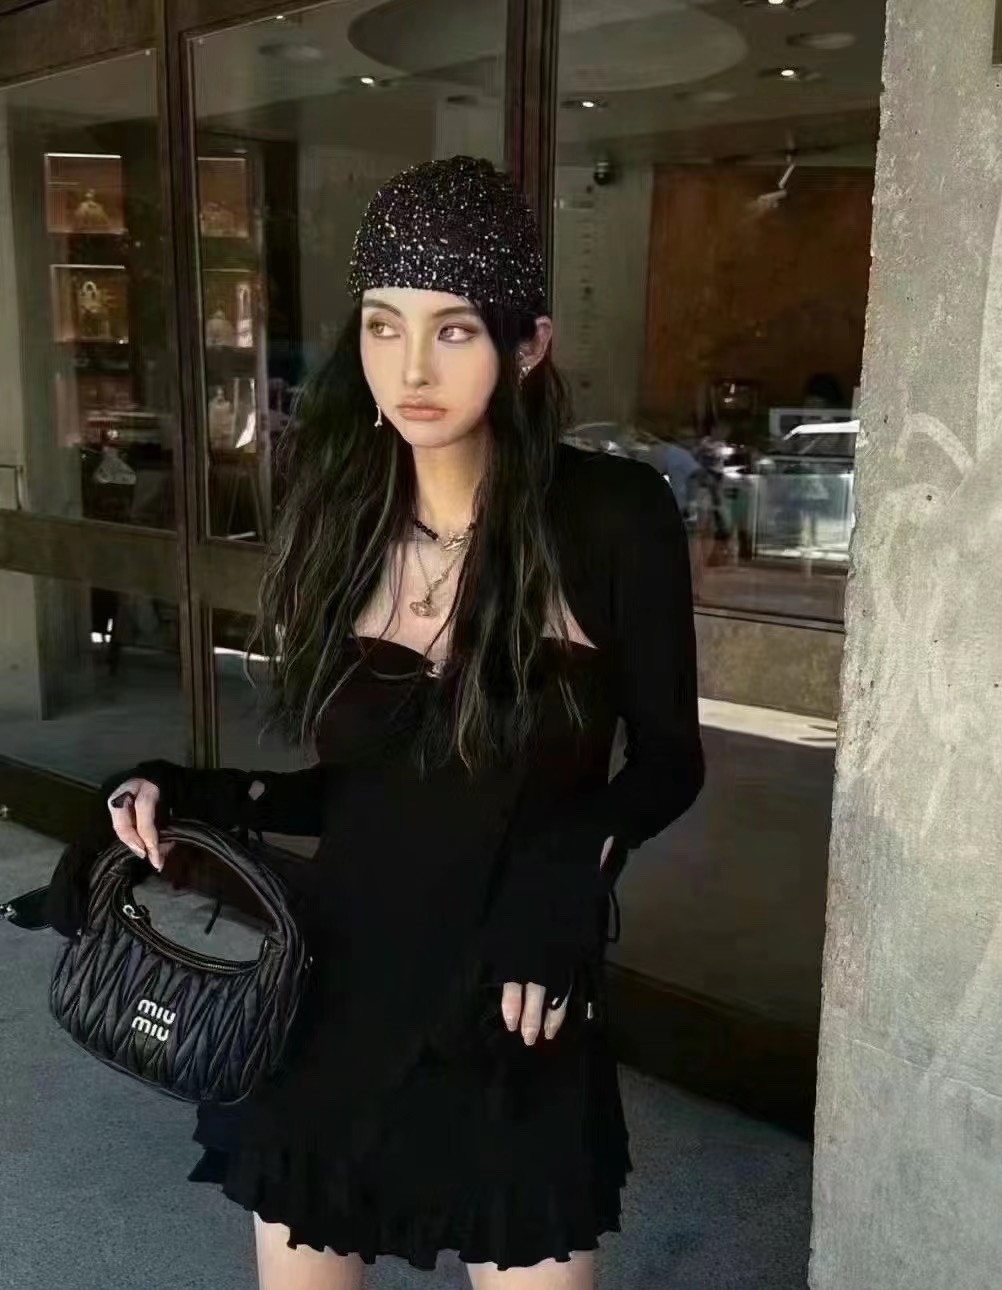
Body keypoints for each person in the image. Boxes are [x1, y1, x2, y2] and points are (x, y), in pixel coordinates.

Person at [56, 157, 704, 1290]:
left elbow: (668, 764)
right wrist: (191, 789)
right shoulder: (344, 515)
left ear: (529, 346)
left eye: (454, 330)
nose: (411, 368)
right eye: (382, 325)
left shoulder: (612, 517)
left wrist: (564, 875)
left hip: (509, 996)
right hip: (331, 990)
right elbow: (366, 791)